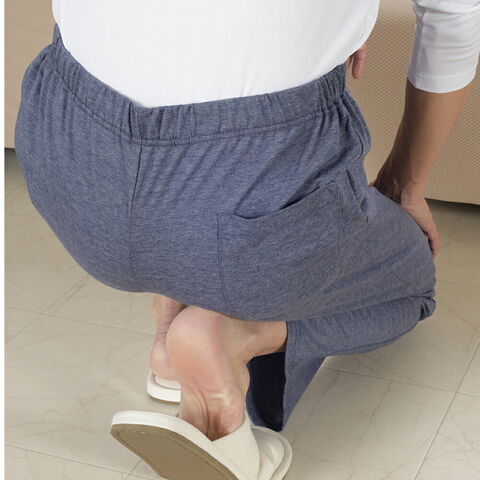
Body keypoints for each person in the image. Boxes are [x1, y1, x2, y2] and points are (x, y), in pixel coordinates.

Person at [15, 1, 480, 478]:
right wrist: (403, 186)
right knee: (411, 284)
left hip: (68, 177)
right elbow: (452, 17)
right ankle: (227, 338)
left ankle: (170, 330)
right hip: (244, 219)